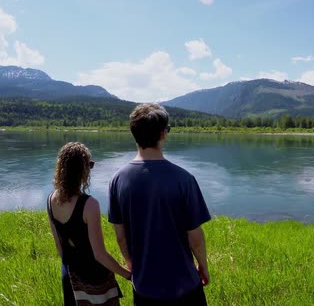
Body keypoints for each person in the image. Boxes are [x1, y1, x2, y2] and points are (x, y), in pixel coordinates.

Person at [108, 103, 211, 305]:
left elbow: (120, 237)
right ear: (163, 134)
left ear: (134, 134)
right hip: (185, 285)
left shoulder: (117, 180)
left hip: (145, 287)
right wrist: (203, 265)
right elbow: (195, 237)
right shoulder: (184, 179)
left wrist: (132, 265)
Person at [47, 142, 131, 306]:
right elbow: (99, 254)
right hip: (94, 277)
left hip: (70, 275)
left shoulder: (50, 199)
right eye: (90, 165)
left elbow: (60, 247)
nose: (90, 169)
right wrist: (128, 275)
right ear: (82, 170)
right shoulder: (89, 205)